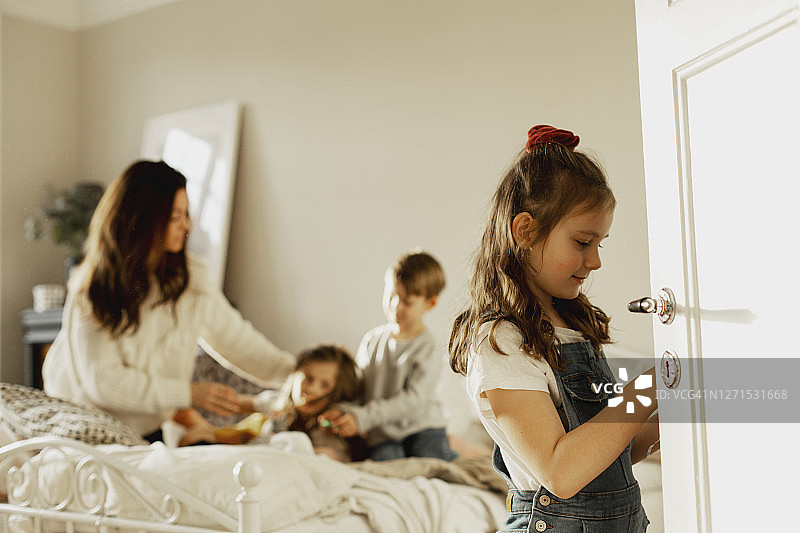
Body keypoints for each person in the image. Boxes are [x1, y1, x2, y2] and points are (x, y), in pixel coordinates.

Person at [449, 125, 658, 532]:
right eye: (583, 242)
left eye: (601, 243)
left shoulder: (573, 327)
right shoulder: (501, 343)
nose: (595, 260)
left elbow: (608, 452)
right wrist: (643, 392)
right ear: (526, 231)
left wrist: (667, 411)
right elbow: (560, 472)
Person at [42, 160, 295, 442]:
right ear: (144, 219)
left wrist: (299, 376)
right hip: (87, 434)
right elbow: (105, 383)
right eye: (176, 216)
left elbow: (239, 341)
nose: (186, 225)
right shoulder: (91, 292)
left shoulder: (189, 280)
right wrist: (190, 393)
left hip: (145, 432)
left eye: (186, 214)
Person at [321, 251, 457, 462]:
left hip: (423, 427)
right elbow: (361, 392)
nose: (396, 306)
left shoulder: (428, 346)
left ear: (430, 303)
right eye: (392, 296)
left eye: (407, 301)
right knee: (385, 463)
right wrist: (343, 412)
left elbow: (414, 400)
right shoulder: (372, 340)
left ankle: (462, 453)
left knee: (432, 462)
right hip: (382, 431)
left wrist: (363, 417)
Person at [233, 344, 366, 462]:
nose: (311, 389)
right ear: (295, 375)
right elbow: (234, 403)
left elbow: (340, 462)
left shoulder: (332, 426)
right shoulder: (278, 403)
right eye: (308, 378)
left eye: (325, 385)